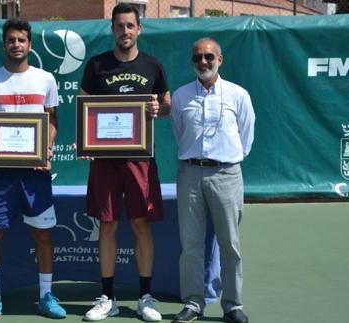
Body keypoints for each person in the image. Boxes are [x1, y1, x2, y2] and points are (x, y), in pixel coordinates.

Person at [80, 3, 171, 322]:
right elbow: (84, 108)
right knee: (107, 224)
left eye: (131, 26)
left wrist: (159, 109)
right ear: (113, 29)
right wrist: (87, 139)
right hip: (105, 160)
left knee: (140, 224)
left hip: (140, 159)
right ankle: (108, 297)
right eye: (120, 26)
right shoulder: (96, 65)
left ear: (139, 29)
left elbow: (167, 104)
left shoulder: (153, 65)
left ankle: (145, 296)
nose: (125, 31)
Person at [0, 18, 66, 322]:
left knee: (42, 236)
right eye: (11, 40)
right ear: (4, 44)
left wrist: (47, 148)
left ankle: (46, 296)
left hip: (35, 173)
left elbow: (51, 122)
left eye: (21, 40)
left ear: (29, 44)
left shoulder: (45, 79)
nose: (16, 45)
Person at [170, 37, 255, 323]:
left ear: (220, 59)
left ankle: (232, 305)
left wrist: (225, 159)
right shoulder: (181, 96)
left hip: (226, 174)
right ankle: (193, 303)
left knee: (229, 244)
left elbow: (246, 137)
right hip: (190, 174)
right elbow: (180, 133)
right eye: (197, 58)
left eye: (209, 57)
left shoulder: (238, 95)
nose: (203, 62)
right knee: (191, 244)